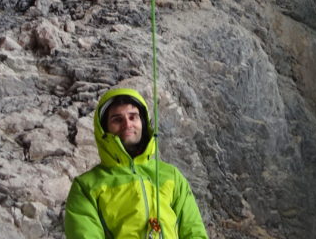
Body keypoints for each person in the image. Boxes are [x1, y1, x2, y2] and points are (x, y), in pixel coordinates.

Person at [65, 87, 209, 239]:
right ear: (104, 129)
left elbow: (194, 232)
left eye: (133, 117)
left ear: (143, 122)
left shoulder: (171, 176)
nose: (127, 125)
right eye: (117, 120)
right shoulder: (86, 187)